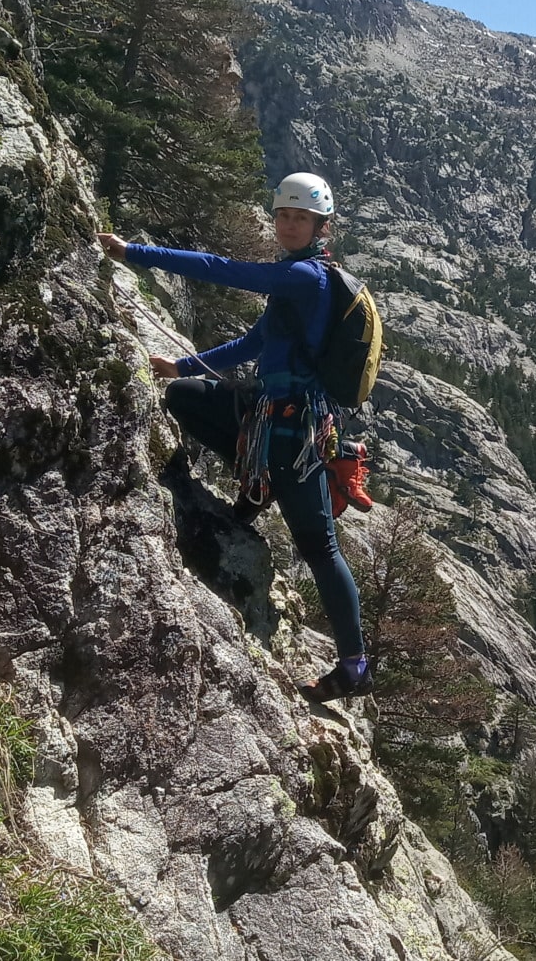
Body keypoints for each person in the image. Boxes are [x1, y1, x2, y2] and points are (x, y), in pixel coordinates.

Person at [98, 172, 371, 703]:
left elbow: (223, 269)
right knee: (187, 396)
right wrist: (180, 365)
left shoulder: (307, 279)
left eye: (301, 218)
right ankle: (258, 485)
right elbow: (255, 342)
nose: (289, 225)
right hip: (273, 412)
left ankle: (354, 663)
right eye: (284, 215)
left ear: (320, 226)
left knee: (319, 547)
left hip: (295, 429)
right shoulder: (299, 278)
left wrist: (135, 252)